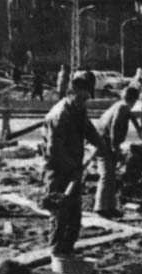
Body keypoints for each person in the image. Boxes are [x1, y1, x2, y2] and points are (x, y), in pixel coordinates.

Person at [41, 73, 103, 255]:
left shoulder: (79, 109)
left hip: (74, 170)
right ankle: (55, 254)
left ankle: (67, 253)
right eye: (80, 98)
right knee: (59, 215)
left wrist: (99, 143)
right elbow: (54, 152)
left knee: (74, 217)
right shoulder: (59, 116)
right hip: (57, 171)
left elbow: (87, 128)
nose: (83, 102)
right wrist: (74, 168)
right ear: (70, 93)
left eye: (86, 99)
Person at [93, 86, 142, 217]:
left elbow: (131, 116)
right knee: (106, 175)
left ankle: (109, 206)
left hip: (104, 141)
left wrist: (138, 128)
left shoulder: (120, 105)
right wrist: (115, 146)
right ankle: (100, 207)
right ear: (134, 99)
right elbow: (115, 125)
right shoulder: (122, 107)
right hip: (105, 143)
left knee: (110, 176)